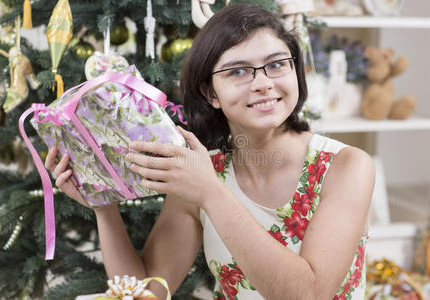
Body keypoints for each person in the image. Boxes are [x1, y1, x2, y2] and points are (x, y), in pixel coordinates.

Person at [45, 3, 374, 300]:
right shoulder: (201, 173)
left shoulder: (346, 166)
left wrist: (210, 193)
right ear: (210, 93)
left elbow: (308, 295)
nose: (263, 83)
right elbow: (145, 293)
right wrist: (103, 206)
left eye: (277, 64)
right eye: (238, 71)